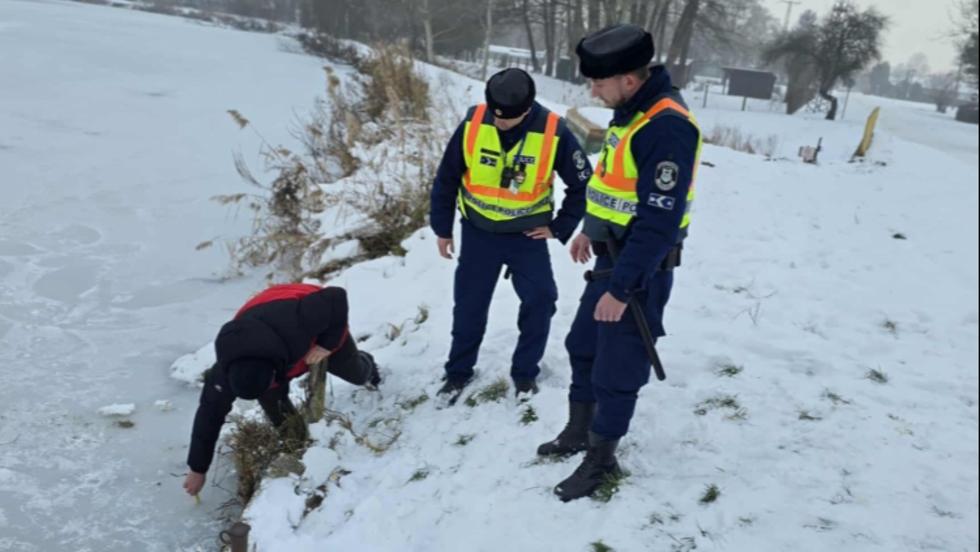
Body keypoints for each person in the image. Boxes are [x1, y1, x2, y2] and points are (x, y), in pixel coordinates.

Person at [537, 24, 702, 501]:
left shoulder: (666, 126)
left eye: (598, 82)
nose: (592, 90)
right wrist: (591, 226)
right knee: (582, 345)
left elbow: (658, 222)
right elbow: (613, 182)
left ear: (629, 79)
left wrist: (622, 288)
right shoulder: (632, 111)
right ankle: (578, 431)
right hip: (611, 258)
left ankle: (601, 459)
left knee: (618, 365)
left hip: (639, 270)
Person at [429, 67, 593, 404]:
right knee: (469, 308)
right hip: (478, 234)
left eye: (509, 119)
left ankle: (524, 374)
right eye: (496, 115)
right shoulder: (473, 124)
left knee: (541, 300)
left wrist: (559, 227)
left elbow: (582, 185)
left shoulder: (554, 131)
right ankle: (458, 373)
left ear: (528, 109)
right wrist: (442, 228)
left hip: (526, 238)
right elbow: (446, 178)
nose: (500, 122)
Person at [182, 283, 379, 497]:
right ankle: (300, 447)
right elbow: (209, 415)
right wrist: (197, 469)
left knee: (355, 373)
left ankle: (369, 366)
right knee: (276, 408)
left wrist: (326, 345)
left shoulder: (298, 323)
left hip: (314, 317)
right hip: (269, 336)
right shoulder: (223, 372)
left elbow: (335, 296)